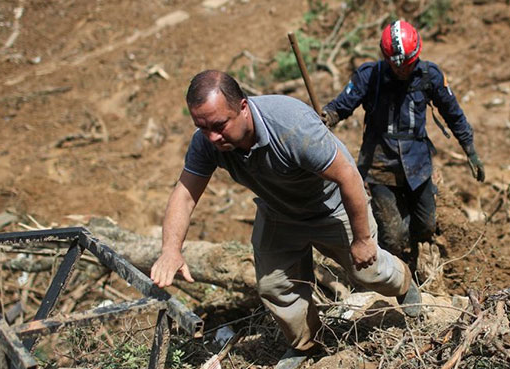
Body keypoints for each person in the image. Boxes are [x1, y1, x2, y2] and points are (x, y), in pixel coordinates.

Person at [150, 70, 422, 368]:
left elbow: (348, 177)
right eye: (202, 127)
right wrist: (171, 250)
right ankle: (306, 345)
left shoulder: (290, 126)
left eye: (219, 125)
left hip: (331, 207)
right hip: (279, 211)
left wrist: (362, 239)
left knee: (368, 273)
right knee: (275, 285)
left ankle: (403, 280)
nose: (212, 137)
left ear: (242, 107)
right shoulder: (206, 141)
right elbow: (185, 194)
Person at [321, 19, 485, 274]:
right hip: (379, 166)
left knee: (427, 225)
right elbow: (342, 105)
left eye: (408, 65)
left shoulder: (431, 76)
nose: (402, 71)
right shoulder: (369, 76)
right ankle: (397, 273)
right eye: (397, 66)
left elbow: (453, 113)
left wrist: (470, 149)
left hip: (418, 164)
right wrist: (328, 116)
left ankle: (422, 253)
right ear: (386, 58)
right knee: (395, 237)